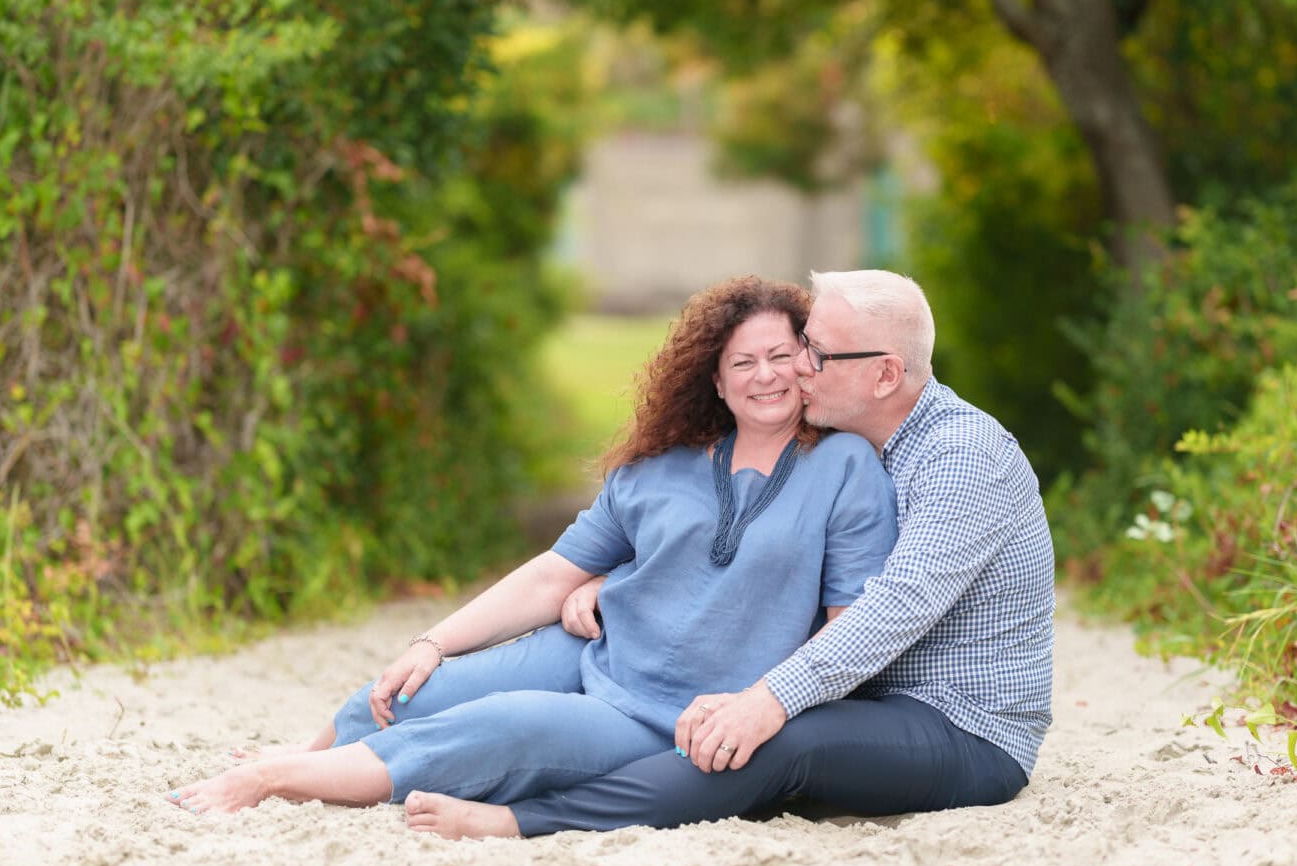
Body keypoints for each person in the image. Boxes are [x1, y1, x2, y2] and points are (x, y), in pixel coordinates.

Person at [165, 276, 897, 815]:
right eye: (744, 363)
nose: (765, 376)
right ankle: (309, 752)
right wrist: (431, 641)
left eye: (781, 356)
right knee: (417, 688)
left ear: (808, 363)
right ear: (715, 377)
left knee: (496, 729)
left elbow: (846, 628)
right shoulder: (660, 468)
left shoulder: (844, 468)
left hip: (657, 716)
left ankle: (269, 780)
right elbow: (554, 575)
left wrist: (763, 705)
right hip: (593, 655)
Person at [399, 269, 1055, 840]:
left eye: (817, 355)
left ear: (886, 374)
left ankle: (526, 822)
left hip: (963, 727)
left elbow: (890, 610)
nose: (798, 368)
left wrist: (766, 700)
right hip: (868, 704)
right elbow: (785, 563)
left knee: (767, 742)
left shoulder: (963, 458)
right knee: (728, 720)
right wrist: (616, 578)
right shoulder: (863, 447)